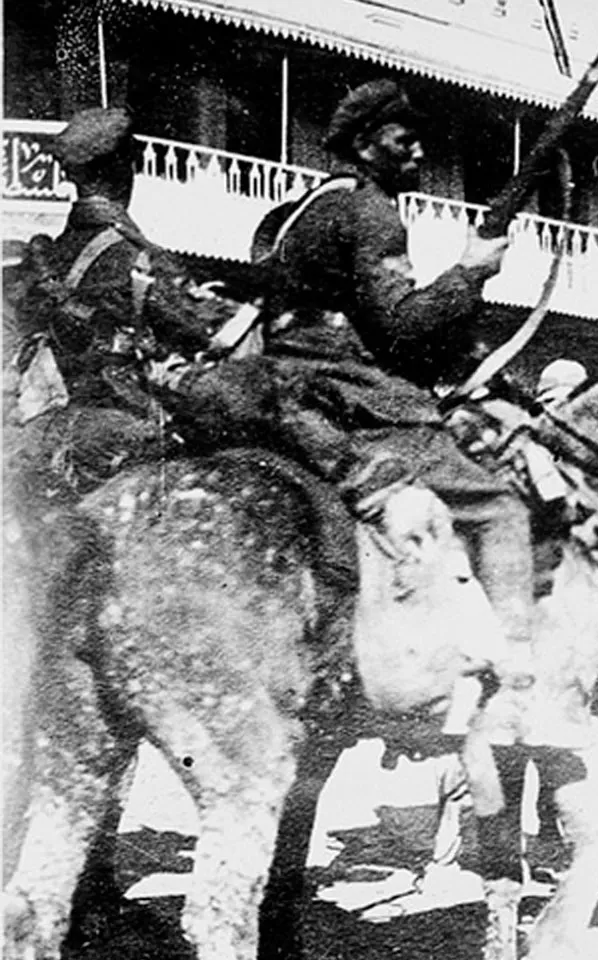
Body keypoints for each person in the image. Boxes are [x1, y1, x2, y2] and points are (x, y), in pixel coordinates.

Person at [174, 79, 526, 653]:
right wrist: (471, 271)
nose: (419, 153)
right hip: (355, 395)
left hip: (286, 383)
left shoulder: (300, 212)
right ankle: (517, 675)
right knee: (500, 508)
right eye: (404, 141)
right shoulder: (372, 211)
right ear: (365, 143)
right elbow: (400, 325)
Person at [7, 107, 237, 500]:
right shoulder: (138, 260)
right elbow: (206, 336)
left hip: (42, 424)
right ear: (125, 170)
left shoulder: (44, 257)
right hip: (121, 429)